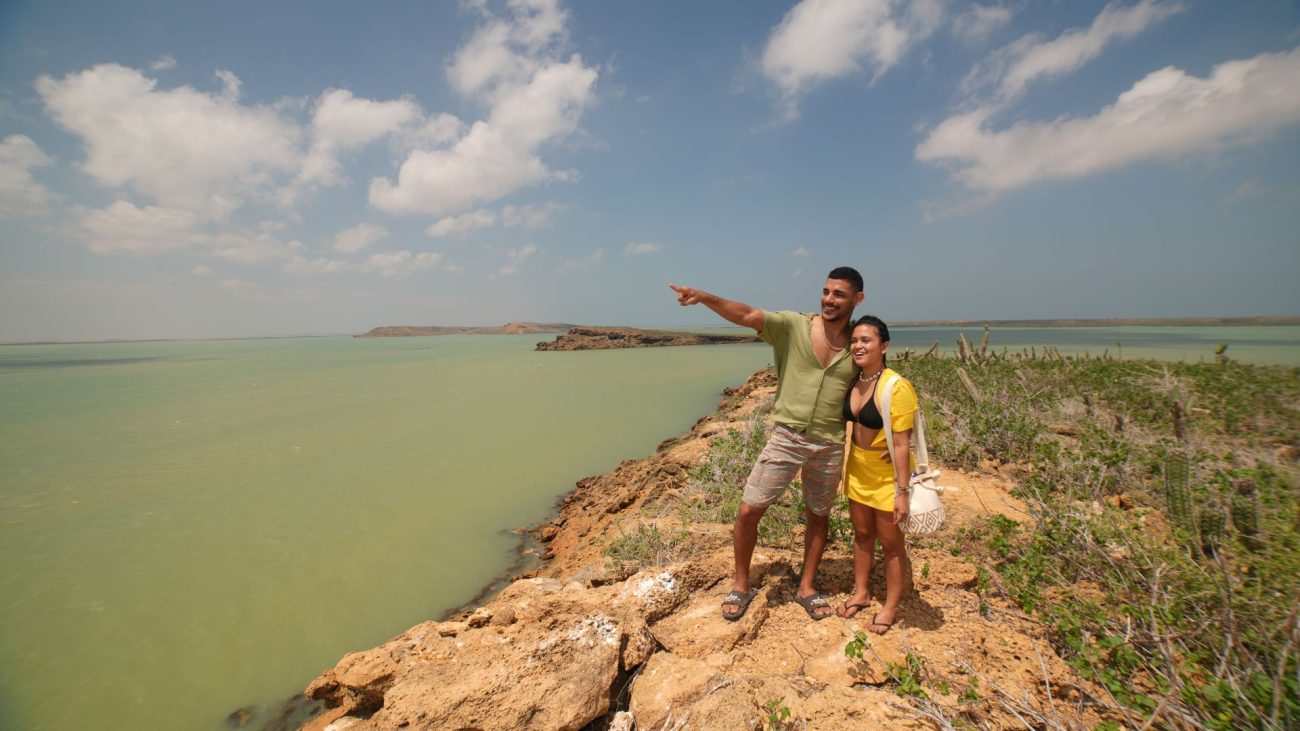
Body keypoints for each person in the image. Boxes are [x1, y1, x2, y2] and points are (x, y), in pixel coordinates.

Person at [669, 267, 864, 621]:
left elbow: (873, 386)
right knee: (749, 510)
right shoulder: (793, 326)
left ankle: (806, 587)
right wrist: (704, 297)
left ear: (857, 299)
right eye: (826, 291)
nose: (829, 299)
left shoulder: (858, 343)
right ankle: (740, 585)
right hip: (787, 437)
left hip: (830, 443)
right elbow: (746, 315)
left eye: (839, 294)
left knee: (818, 516)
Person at [835, 315, 916, 634]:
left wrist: (902, 491)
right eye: (854, 340)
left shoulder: (896, 386)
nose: (858, 345)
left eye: (866, 340)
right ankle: (862, 593)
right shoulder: (854, 380)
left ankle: (891, 606)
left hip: (886, 476)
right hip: (857, 468)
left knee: (891, 543)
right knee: (862, 534)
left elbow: (902, 442)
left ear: (884, 346)